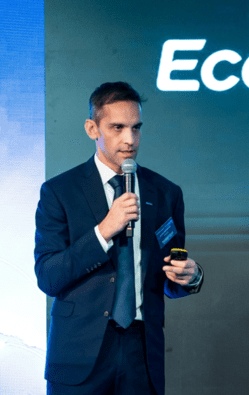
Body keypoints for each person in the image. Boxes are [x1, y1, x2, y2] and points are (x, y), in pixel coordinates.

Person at [34, 82, 203, 395]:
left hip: (142, 351)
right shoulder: (59, 191)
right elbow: (48, 277)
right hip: (79, 353)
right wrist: (103, 231)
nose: (130, 139)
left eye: (136, 128)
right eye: (117, 127)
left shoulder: (166, 192)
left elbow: (168, 278)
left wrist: (189, 277)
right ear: (92, 129)